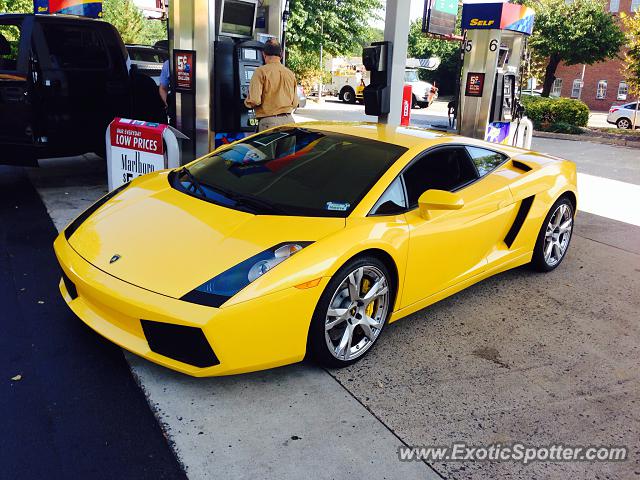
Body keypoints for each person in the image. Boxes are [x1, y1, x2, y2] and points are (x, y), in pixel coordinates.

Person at [244, 39, 298, 132]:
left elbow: (255, 100)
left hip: (269, 123)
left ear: (263, 54)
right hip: (289, 121)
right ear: (281, 55)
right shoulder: (289, 73)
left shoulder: (260, 71)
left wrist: (246, 101)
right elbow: (295, 103)